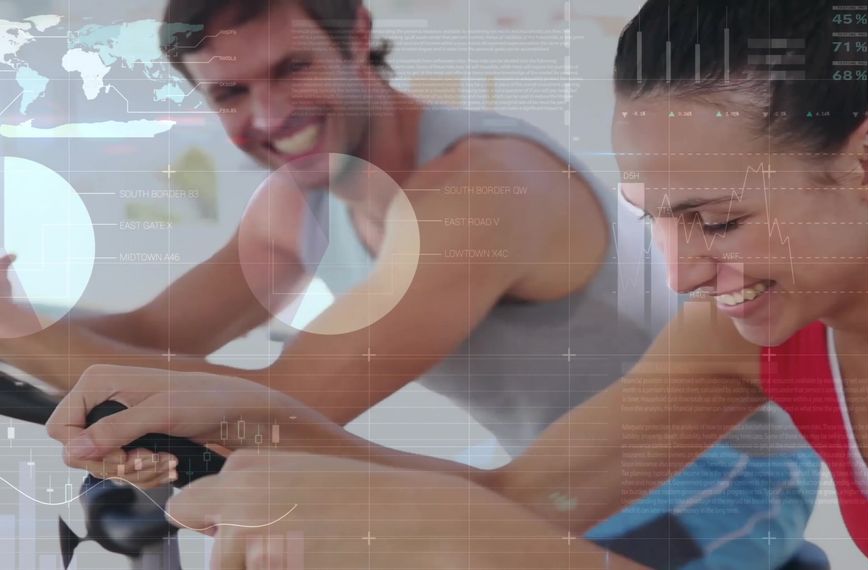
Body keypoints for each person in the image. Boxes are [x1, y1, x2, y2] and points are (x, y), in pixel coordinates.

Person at [22, 0, 818, 568]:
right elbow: (144, 344)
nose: (270, 115)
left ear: (358, 36)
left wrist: (14, 333)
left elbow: (279, 409)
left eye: (292, 67)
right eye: (231, 93)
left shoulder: (484, 190)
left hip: (728, 477)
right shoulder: (299, 202)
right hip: (560, 476)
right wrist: (19, 310)